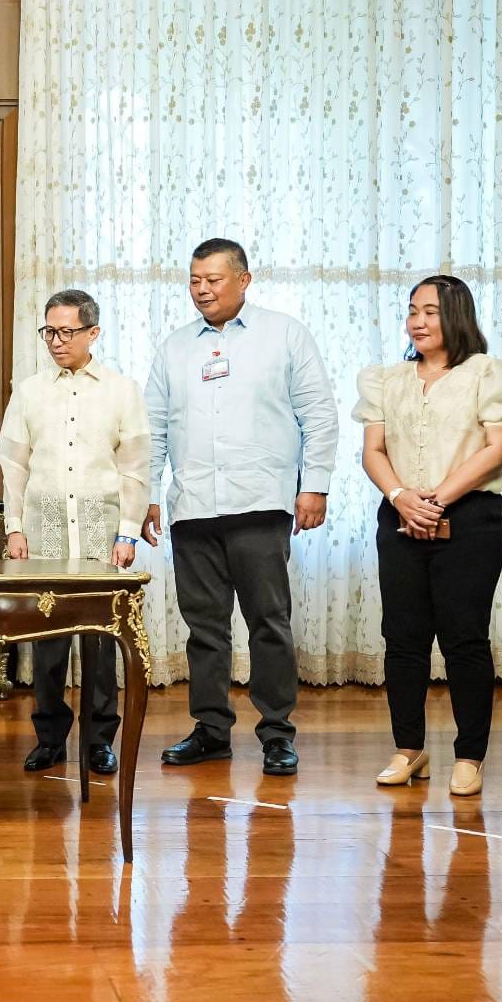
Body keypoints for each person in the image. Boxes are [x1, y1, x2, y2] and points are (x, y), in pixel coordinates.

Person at [143, 238, 338, 776]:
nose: (202, 290)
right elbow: (153, 428)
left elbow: (319, 414)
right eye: (194, 281)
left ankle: (277, 733)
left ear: (244, 279)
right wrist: (148, 495)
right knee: (204, 627)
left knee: (268, 622)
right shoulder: (175, 347)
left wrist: (314, 485)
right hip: (193, 507)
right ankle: (210, 730)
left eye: (213, 279)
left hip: (260, 503)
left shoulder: (285, 335)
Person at [354, 275, 502, 796]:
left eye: (430, 311)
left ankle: (470, 756)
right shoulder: (387, 379)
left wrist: (438, 499)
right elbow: (373, 450)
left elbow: (499, 447)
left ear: (457, 316)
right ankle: (409, 749)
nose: (418, 322)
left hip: (469, 519)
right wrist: (401, 496)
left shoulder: (487, 373)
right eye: (412, 311)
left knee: (464, 639)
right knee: (402, 639)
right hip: (400, 517)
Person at [0, 289, 148, 775]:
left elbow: (135, 467)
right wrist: (15, 528)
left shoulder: (121, 390)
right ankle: (49, 738)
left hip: (101, 530)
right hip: (44, 530)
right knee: (48, 638)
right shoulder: (30, 391)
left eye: (67, 332)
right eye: (49, 332)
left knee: (101, 641)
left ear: (93, 332)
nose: (57, 341)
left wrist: (128, 532)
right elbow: (13, 465)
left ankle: (100, 740)